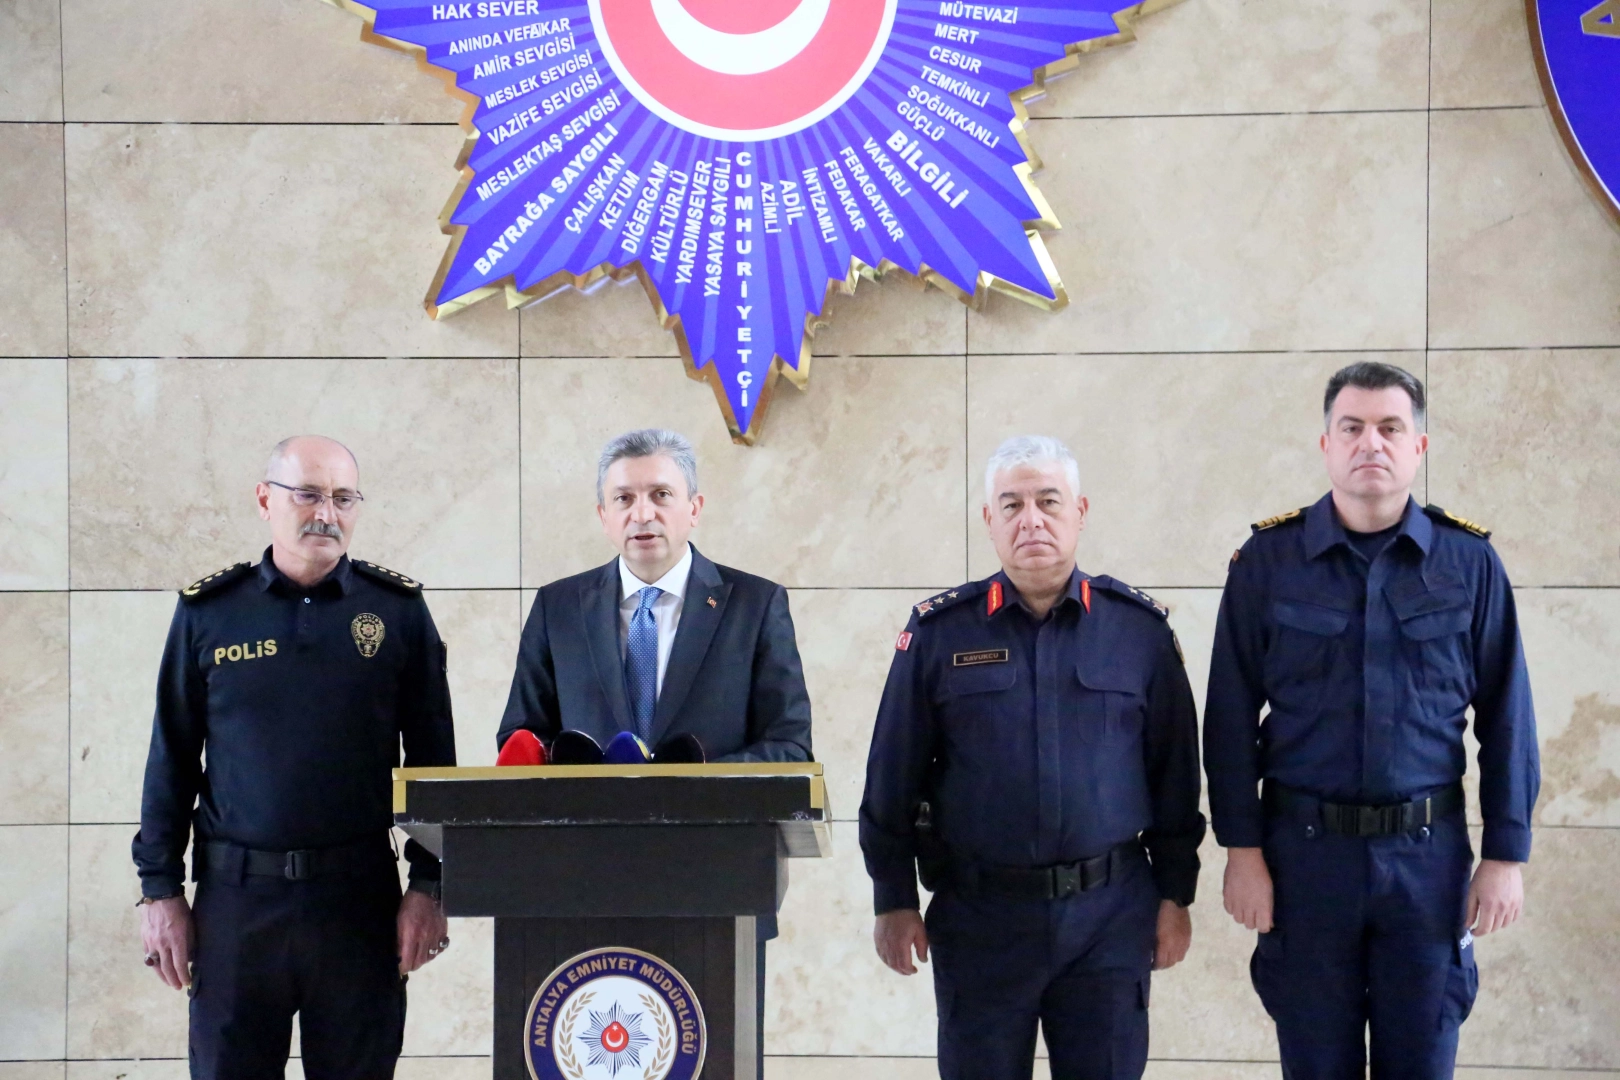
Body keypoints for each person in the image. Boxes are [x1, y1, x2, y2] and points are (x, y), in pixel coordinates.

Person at [1204, 361, 1539, 1079]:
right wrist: (1241, 850)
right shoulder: (1268, 561)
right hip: (1302, 862)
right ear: (1326, 444)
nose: (1371, 443)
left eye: (1390, 428)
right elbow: (1228, 715)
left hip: (1427, 865)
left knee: (1421, 1061)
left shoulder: (1469, 563)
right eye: (1352, 427)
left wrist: (1506, 855)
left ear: (1419, 446)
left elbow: (1508, 716)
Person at [860, 435, 1205, 1080]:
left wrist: (1175, 893)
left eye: (1049, 501)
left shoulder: (1139, 633)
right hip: (981, 918)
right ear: (989, 520)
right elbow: (891, 777)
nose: (1032, 520)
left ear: (1080, 511)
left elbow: (1176, 777)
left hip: (1109, 918)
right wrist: (893, 897)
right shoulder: (939, 633)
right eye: (1012, 505)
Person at [133, 435, 457, 1080]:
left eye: (343, 498)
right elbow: (171, 757)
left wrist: (429, 885)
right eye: (308, 494)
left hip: (359, 903)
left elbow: (432, 764)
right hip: (236, 905)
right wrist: (159, 890)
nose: (326, 513)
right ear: (265, 500)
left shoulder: (396, 612)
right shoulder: (210, 613)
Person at [496, 427, 813, 1059]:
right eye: (624, 498)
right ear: (602, 515)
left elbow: (790, 748)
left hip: (717, 888)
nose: (642, 513)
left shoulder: (754, 605)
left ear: (694, 507)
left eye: (661, 494)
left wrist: (688, 778)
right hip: (577, 890)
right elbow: (520, 737)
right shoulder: (559, 608)